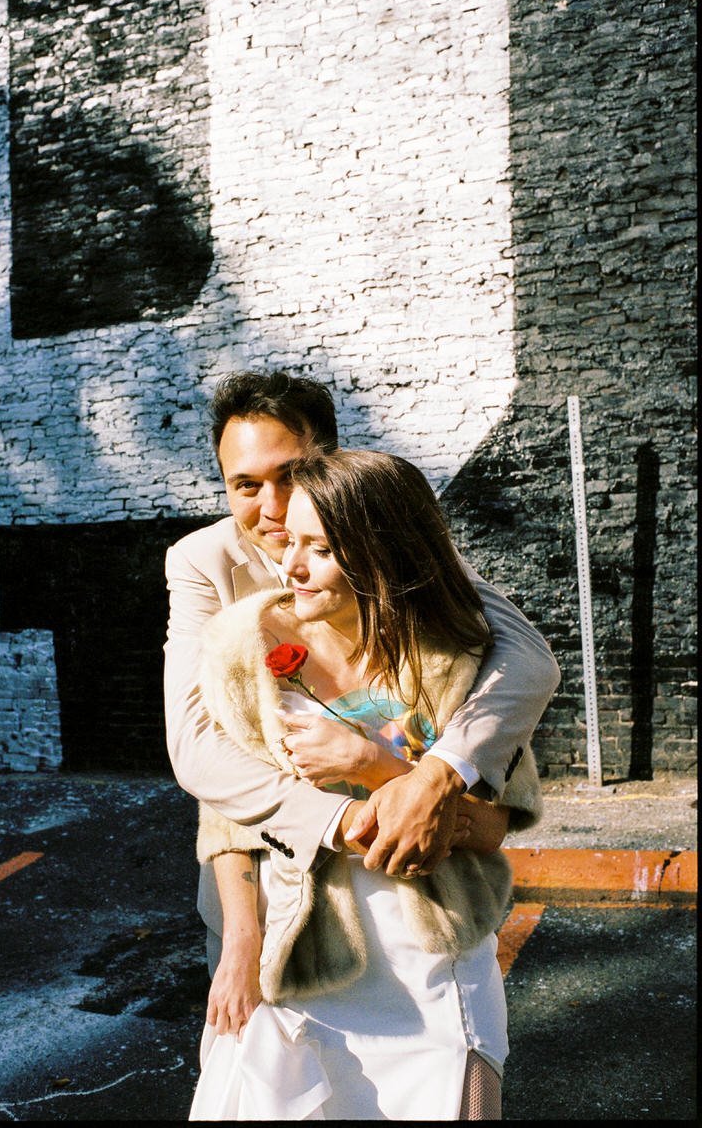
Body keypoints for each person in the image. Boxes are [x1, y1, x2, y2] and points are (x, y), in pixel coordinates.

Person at [188, 449, 545, 1120]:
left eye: (318, 549)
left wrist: (370, 762)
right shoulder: (241, 648)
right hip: (303, 961)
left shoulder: (458, 655)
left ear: (383, 555)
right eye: (288, 541)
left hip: (433, 964)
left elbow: (494, 823)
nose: (289, 566)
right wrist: (240, 945)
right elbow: (227, 814)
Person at [164, 370, 559, 883]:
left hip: (426, 882)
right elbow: (196, 742)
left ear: (329, 461)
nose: (274, 507)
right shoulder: (201, 560)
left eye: (289, 476)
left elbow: (526, 654)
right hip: (274, 881)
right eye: (246, 485)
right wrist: (348, 820)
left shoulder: (380, 535)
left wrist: (436, 781)